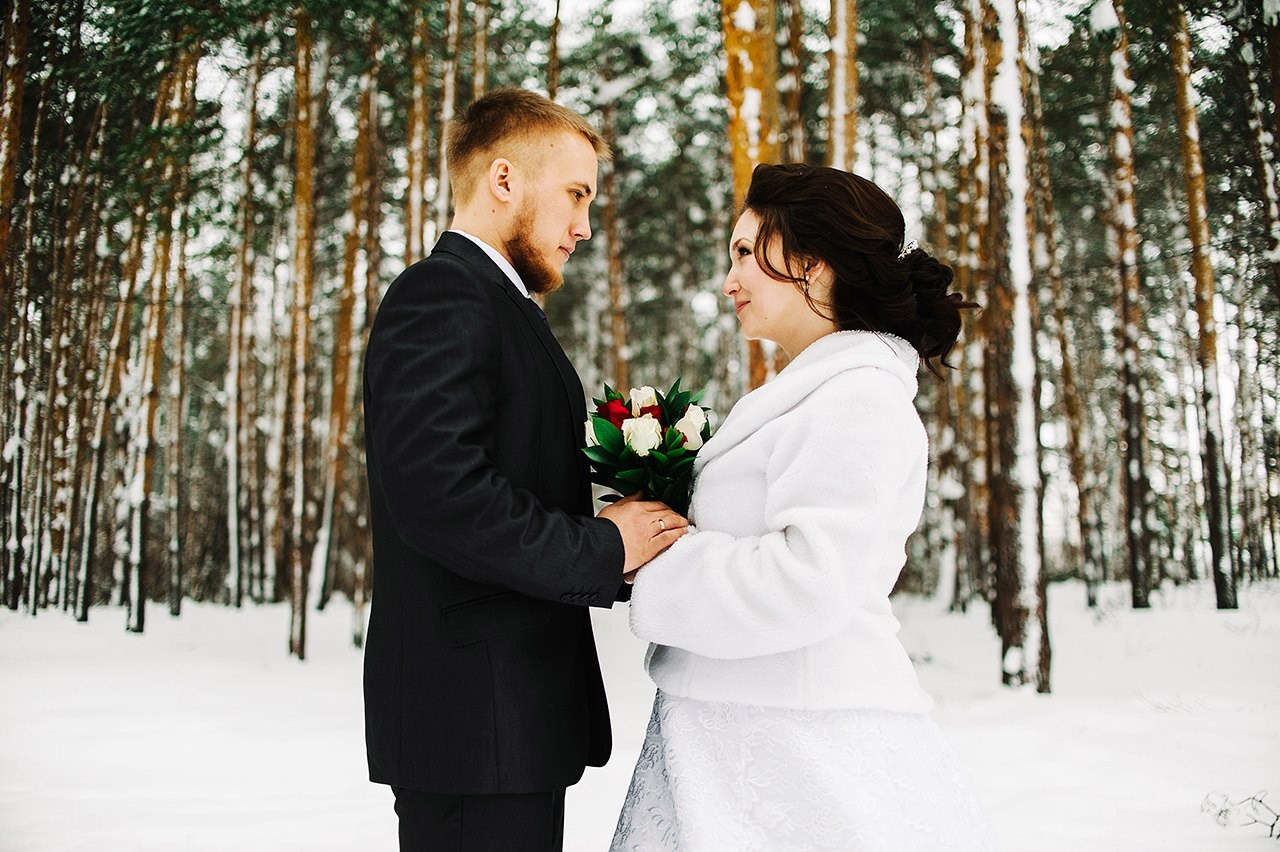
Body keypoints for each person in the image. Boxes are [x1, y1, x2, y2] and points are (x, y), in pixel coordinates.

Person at [610, 163, 997, 850]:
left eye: (742, 253)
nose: (728, 281)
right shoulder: (809, 393)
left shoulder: (858, 399)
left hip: (798, 747)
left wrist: (657, 556)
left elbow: (810, 580)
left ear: (811, 265)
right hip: (738, 730)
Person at [361, 87, 688, 852]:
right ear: (504, 180)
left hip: (506, 725)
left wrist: (637, 538)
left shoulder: (496, 304)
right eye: (575, 195)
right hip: (472, 722)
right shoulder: (440, 294)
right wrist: (604, 547)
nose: (583, 227)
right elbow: (441, 496)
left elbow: (512, 481)